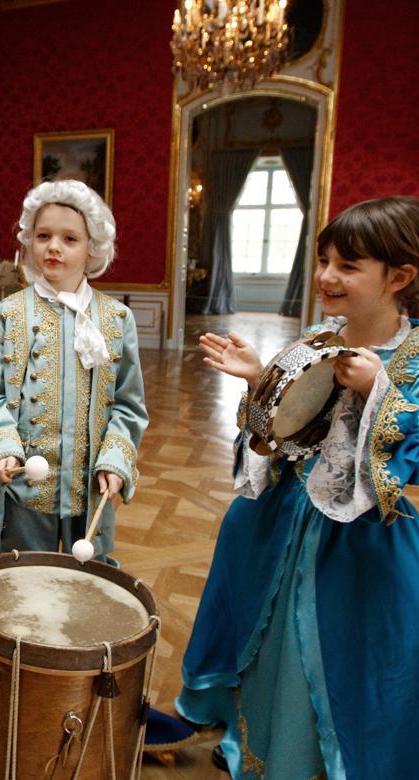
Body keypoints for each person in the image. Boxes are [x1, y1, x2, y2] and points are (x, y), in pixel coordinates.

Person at [178, 196, 419, 778]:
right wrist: (262, 376)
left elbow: (406, 461)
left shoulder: (411, 360)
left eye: (348, 265)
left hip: (357, 543)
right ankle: (256, 740)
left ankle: (316, 761)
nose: (326, 277)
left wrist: (378, 390)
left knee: (335, 649)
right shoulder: (316, 336)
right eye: (324, 260)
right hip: (284, 519)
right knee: (271, 632)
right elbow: (292, 424)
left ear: (400, 277)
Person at [0, 179, 147, 561]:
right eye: (44, 235)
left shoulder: (117, 319)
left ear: (91, 248)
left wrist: (115, 460)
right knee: (25, 582)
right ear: (30, 240)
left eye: (70, 239)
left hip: (90, 487)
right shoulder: (6, 316)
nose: (53, 247)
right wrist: (3, 452)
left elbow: (129, 405)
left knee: (87, 588)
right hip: (25, 493)